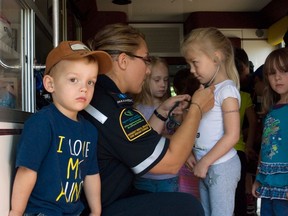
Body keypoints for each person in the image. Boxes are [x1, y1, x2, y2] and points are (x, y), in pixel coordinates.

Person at [81, 23, 215, 216]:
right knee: (187, 207)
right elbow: (170, 162)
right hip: (99, 208)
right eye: (146, 59)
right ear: (124, 61)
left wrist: (161, 112)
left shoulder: (104, 97)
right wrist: (197, 109)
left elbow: (138, 144)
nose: (148, 70)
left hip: (112, 197)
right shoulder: (112, 110)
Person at [9, 40, 113, 216]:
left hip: (74, 211)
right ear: (50, 84)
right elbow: (27, 170)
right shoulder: (42, 123)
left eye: (91, 82)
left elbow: (91, 174)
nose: (84, 89)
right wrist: (16, 211)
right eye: (74, 79)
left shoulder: (89, 130)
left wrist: (96, 211)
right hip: (43, 211)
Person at [181, 27, 241, 216]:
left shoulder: (227, 91)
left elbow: (232, 135)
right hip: (205, 165)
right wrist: (192, 152)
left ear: (216, 57)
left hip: (221, 166)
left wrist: (205, 161)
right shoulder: (206, 91)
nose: (191, 70)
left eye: (195, 62)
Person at [133, 56, 180, 192]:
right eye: (157, 80)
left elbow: (179, 136)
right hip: (143, 175)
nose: (163, 85)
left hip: (168, 175)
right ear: (145, 79)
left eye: (166, 80)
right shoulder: (135, 109)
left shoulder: (173, 107)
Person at [252, 48, 288, 216]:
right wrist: (258, 178)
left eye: (284, 71)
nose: (277, 77)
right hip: (267, 185)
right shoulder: (271, 111)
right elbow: (264, 148)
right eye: (272, 73)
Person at [234, 47, 258, 216]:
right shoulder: (245, 96)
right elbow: (254, 123)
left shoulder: (216, 94)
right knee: (240, 194)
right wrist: (248, 145)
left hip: (219, 152)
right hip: (239, 151)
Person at [172, 68, 201, 199]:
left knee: (187, 199)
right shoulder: (203, 110)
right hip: (200, 160)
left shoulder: (180, 111)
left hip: (186, 161)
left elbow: (176, 135)